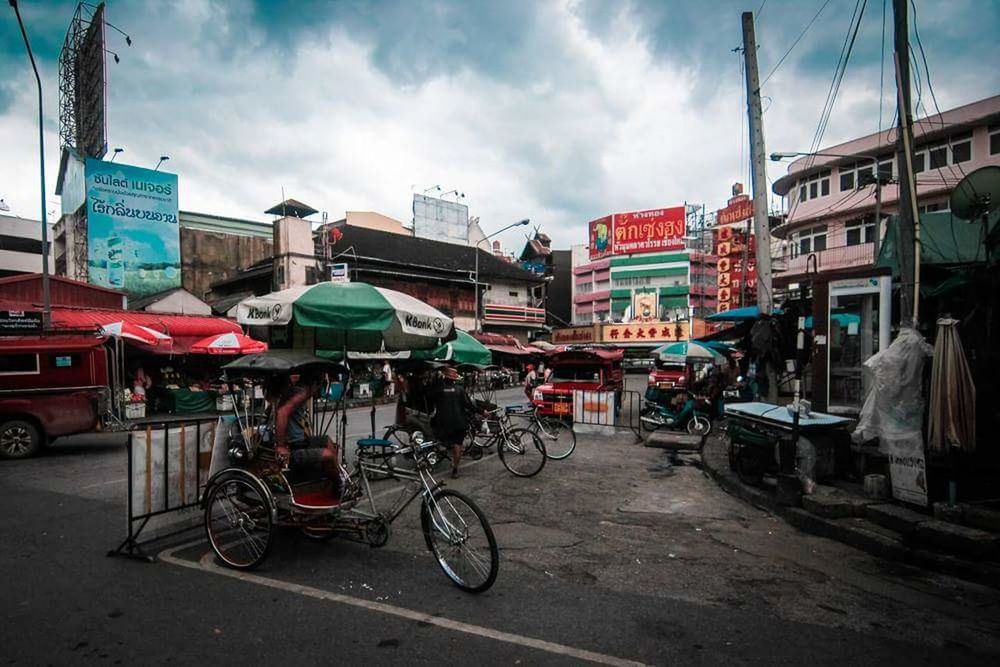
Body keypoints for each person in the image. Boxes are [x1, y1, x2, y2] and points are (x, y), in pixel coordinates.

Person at [272, 373, 342, 498]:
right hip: (291, 448)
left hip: (300, 441)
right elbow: (282, 412)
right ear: (314, 385)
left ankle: (330, 480)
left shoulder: (299, 392)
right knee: (329, 456)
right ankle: (339, 490)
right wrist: (281, 446)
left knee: (327, 441)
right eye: (318, 386)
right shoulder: (302, 393)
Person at [429, 366, 475, 479]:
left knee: (440, 440)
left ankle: (440, 454)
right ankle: (455, 470)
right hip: (459, 422)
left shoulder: (438, 389)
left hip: (443, 423)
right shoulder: (459, 390)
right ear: (454, 379)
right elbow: (468, 404)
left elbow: (430, 400)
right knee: (458, 445)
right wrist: (480, 411)